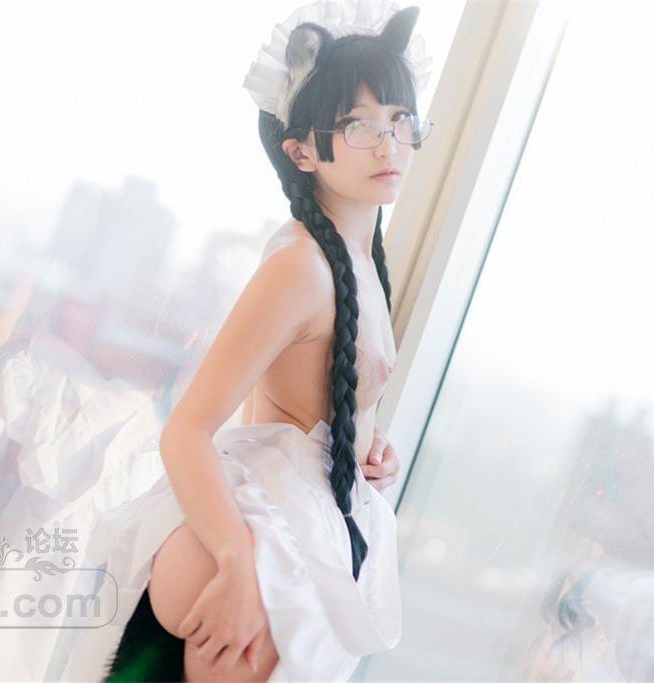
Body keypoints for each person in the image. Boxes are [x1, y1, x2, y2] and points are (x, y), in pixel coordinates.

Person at [104, 1, 435, 680]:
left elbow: (311, 390)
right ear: (301, 150)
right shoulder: (300, 266)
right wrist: (236, 560)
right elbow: (186, 430)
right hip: (257, 540)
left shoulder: (360, 255)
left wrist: (364, 446)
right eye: (358, 124)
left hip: (301, 521)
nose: (388, 145)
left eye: (399, 120)